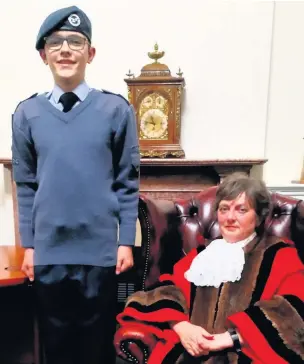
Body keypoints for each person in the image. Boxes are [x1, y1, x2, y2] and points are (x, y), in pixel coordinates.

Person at [11, 5, 140, 364]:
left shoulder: (116, 110)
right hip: (49, 254)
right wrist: (30, 247)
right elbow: (25, 185)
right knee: (55, 347)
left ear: (90, 53)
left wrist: (125, 240)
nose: (65, 49)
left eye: (75, 41)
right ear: (43, 55)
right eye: (55, 43)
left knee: (96, 348)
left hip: (99, 254)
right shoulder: (27, 114)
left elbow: (127, 181)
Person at [117, 173, 304, 363]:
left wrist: (231, 338)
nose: (230, 217)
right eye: (224, 209)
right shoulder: (201, 254)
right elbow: (167, 290)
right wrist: (181, 326)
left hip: (246, 352)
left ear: (258, 217)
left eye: (241, 210)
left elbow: (293, 308)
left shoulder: (280, 255)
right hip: (191, 350)